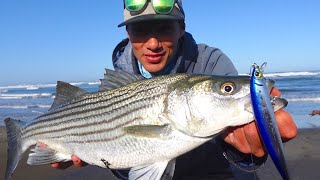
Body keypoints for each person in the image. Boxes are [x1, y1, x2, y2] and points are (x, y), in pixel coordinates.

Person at [52, 0, 297, 179]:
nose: (153, 44)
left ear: (181, 28)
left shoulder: (210, 61)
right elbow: (129, 159)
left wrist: (243, 150)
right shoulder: (120, 76)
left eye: (164, 28)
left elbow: (241, 145)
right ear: (128, 33)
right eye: (140, 31)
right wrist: (91, 150)